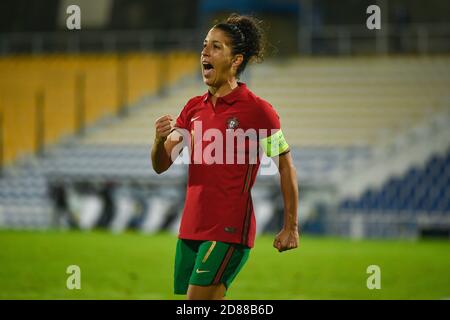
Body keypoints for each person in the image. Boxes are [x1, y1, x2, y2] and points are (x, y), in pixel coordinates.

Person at [151, 13, 299, 300]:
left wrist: (290, 227)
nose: (205, 52)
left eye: (216, 47)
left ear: (236, 61)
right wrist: (158, 141)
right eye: (205, 45)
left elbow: (286, 167)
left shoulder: (259, 111)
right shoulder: (192, 109)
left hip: (229, 227)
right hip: (192, 225)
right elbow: (161, 164)